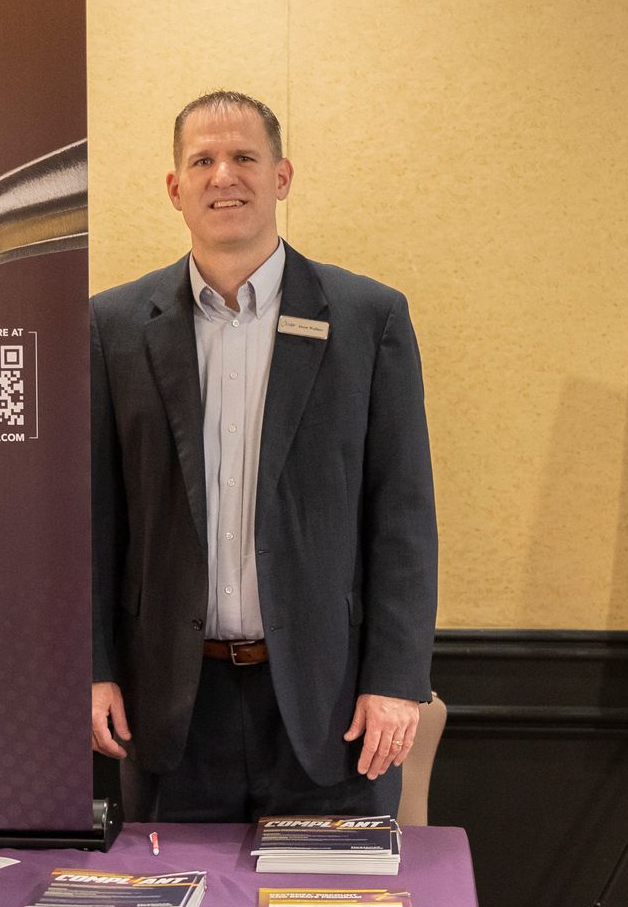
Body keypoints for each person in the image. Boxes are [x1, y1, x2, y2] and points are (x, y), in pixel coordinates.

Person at [90, 90, 437, 821]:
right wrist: (92, 669)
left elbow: (401, 515)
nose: (225, 176)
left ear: (281, 176)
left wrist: (396, 679)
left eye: (245, 157)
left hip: (331, 706)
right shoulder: (113, 326)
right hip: (172, 710)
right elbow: (94, 517)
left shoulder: (368, 318)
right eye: (203, 161)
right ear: (174, 188)